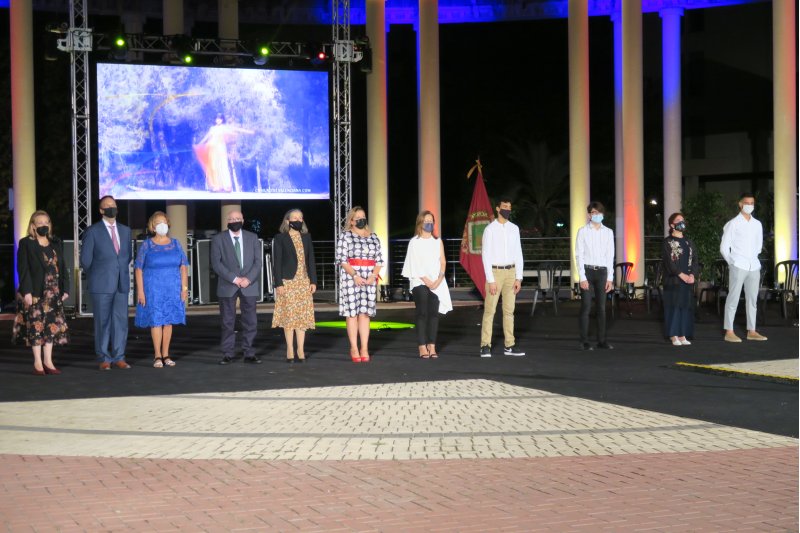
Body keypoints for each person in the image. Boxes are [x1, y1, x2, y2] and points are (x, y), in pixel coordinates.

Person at [12, 211, 69, 375]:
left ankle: (48, 361)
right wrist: (27, 291)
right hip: (36, 292)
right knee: (36, 327)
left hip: (54, 292)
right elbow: (23, 270)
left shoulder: (56, 243)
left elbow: (63, 266)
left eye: (47, 222)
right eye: (40, 222)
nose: (44, 225)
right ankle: (37, 363)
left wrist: (65, 288)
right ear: (33, 226)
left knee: (51, 328)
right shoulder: (26, 243)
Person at [80, 195, 133, 370]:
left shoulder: (125, 231)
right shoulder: (92, 231)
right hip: (101, 283)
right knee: (102, 322)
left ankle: (119, 356)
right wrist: (98, 275)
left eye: (114, 205)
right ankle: (103, 357)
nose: (111, 208)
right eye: (107, 206)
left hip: (121, 282)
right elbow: (86, 260)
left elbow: (127, 257)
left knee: (121, 321)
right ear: (101, 210)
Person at [134, 212, 189, 367]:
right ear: (152, 226)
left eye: (164, 221)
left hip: (172, 288)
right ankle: (157, 355)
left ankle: (166, 354)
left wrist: (184, 289)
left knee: (169, 321)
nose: (162, 225)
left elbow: (184, 267)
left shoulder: (176, 244)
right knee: (157, 321)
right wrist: (141, 291)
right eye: (158, 222)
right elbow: (138, 268)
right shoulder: (147, 245)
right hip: (153, 289)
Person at [211, 210, 263, 364]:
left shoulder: (252, 237)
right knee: (227, 321)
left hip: (249, 284)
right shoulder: (218, 239)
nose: (235, 221)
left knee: (251, 321)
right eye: (232, 219)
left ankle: (249, 352)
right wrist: (234, 278)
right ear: (227, 221)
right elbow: (216, 264)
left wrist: (248, 278)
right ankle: (228, 353)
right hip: (228, 285)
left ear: (243, 220)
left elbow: (258, 262)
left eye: (238, 218)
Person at [336, 206, 384, 363]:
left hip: (369, 278)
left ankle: (364, 347)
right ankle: (354, 347)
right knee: (352, 313)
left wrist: (374, 275)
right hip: (351, 278)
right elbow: (342, 260)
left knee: (365, 313)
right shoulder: (345, 236)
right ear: (351, 220)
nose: (362, 219)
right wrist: (355, 275)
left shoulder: (373, 237)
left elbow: (379, 260)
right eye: (358, 217)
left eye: (363, 217)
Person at [402, 210, 452, 358]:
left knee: (434, 314)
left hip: (437, 282)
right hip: (419, 281)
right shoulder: (414, 242)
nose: (429, 223)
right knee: (422, 312)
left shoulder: (438, 241)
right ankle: (422, 346)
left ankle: (432, 345)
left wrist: (438, 279)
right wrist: (427, 281)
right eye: (426, 221)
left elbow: (443, 262)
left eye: (431, 221)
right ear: (420, 223)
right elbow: (415, 264)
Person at [479, 198, 525, 357]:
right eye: (504, 207)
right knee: (490, 310)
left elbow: (518, 253)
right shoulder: (490, 229)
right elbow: (485, 255)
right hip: (496, 272)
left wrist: (519, 277)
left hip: (511, 273)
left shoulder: (514, 228)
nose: (507, 210)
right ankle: (485, 345)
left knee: (509, 311)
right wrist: (491, 279)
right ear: (498, 208)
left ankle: (509, 345)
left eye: (509, 208)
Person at [272, 209, 317, 363]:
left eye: (300, 218)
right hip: (288, 282)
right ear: (287, 221)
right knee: (289, 317)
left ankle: (301, 349)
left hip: (303, 282)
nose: (298, 220)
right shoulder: (280, 238)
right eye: (295, 218)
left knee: (302, 317)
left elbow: (311, 260)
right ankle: (290, 349)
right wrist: (278, 283)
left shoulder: (306, 237)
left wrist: (313, 281)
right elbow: (276, 263)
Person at [720, 193, 767, 342]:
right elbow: (724, 247)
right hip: (738, 264)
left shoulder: (757, 224)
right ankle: (729, 331)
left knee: (752, 299)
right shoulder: (733, 223)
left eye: (752, 203)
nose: (749, 205)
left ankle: (751, 331)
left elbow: (759, 246)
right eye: (747, 202)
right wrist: (732, 262)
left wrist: (752, 257)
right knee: (733, 297)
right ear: (740, 204)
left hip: (754, 265)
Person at [575, 201, 615, 351]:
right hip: (588, 271)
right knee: (586, 306)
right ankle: (584, 341)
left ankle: (602, 341)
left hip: (602, 272)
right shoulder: (582, 231)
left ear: (602, 214)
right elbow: (579, 255)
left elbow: (610, 255)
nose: (596, 215)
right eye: (593, 213)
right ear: (589, 215)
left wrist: (610, 278)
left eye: (599, 213)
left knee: (602, 308)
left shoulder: (608, 232)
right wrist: (582, 277)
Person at [662, 213, 700, 346]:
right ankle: (673, 335)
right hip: (673, 280)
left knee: (685, 306)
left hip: (688, 281)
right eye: (678, 221)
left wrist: (692, 275)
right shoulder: (667, 242)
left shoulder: (689, 242)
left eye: (683, 220)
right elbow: (668, 263)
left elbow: (695, 260)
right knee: (674, 306)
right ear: (672, 225)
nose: (681, 222)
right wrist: (681, 275)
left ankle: (683, 334)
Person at [193, 113, 254, 193]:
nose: (218, 120)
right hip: (212, 148)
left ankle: (227, 186)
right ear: (215, 119)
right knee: (214, 167)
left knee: (223, 166)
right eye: (217, 118)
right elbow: (207, 137)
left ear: (222, 120)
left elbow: (236, 129)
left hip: (220, 149)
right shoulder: (212, 128)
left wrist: (249, 132)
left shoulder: (224, 128)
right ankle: (216, 186)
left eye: (220, 118)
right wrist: (199, 144)